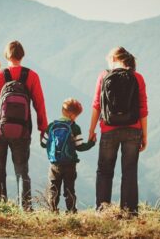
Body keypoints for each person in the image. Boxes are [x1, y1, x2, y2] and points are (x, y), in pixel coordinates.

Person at [0, 40, 48, 211]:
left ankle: (0, 208)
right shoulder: (32, 76)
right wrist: (42, 128)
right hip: (22, 131)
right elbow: (40, 104)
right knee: (22, 171)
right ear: (22, 55)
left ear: (6, 55)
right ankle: (25, 208)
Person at [88, 46, 148, 215]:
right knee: (129, 171)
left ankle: (102, 211)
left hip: (109, 129)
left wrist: (91, 130)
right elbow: (143, 109)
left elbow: (96, 105)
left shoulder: (104, 76)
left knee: (105, 171)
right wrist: (144, 135)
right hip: (133, 129)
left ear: (113, 59)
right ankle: (129, 212)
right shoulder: (138, 78)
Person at [41, 98, 96, 213]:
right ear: (73, 115)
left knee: (54, 188)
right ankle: (71, 211)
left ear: (62, 110)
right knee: (69, 189)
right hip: (70, 164)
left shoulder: (51, 126)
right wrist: (92, 142)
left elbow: (43, 144)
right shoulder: (75, 128)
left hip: (55, 164)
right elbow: (80, 147)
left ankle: (53, 210)